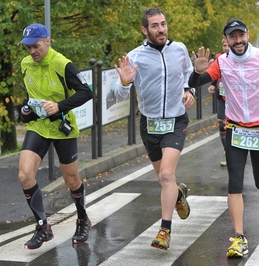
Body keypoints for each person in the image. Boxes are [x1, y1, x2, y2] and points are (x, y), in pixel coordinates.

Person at [188, 18, 259, 258]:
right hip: (235, 130)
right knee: (234, 183)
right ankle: (238, 237)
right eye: (232, 37)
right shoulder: (221, 62)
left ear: (247, 35)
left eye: (241, 35)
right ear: (227, 40)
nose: (237, 41)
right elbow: (195, 83)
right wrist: (197, 70)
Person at [113, 7, 194, 251]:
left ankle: (164, 230)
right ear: (144, 29)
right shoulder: (134, 56)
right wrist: (125, 81)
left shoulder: (179, 49)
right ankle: (178, 194)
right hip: (149, 124)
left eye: (163, 24)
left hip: (176, 120)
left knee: (167, 175)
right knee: (163, 178)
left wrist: (189, 89)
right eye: (155, 25)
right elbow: (118, 95)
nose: (161, 29)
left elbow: (188, 72)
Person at [17, 23, 94, 249]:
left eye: (36, 46)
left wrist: (59, 106)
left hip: (62, 127)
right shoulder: (25, 65)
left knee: (71, 180)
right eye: (28, 47)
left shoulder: (62, 64)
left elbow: (87, 92)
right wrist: (25, 110)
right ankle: (43, 227)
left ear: (47, 41)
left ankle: (82, 219)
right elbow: (30, 97)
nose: (32, 51)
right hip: (39, 126)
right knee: (24, 175)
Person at [207, 39, 230, 166]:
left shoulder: (239, 59)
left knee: (233, 126)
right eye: (224, 45)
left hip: (235, 100)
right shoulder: (218, 58)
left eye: (228, 45)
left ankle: (235, 151)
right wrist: (212, 85)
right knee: (222, 125)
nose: (226, 47)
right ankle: (227, 151)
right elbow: (214, 73)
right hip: (222, 96)